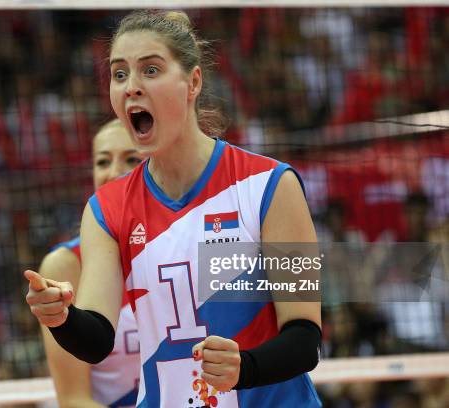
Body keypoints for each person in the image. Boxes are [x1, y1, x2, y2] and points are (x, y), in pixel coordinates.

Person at [26, 10, 321, 407]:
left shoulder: (270, 184)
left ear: (193, 82)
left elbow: (305, 338)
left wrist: (244, 368)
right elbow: (96, 339)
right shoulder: (106, 210)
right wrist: (61, 317)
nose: (131, 87)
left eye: (150, 70)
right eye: (119, 74)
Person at [37, 119, 143, 407]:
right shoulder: (64, 265)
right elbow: (73, 400)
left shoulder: (196, 242)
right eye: (102, 162)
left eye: (132, 159)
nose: (113, 173)